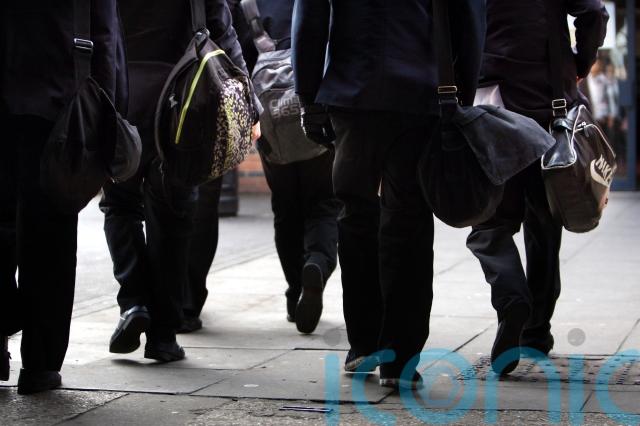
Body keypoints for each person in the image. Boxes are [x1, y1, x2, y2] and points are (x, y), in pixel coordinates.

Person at [292, 0, 485, 387]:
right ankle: (401, 359)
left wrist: (309, 96)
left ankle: (364, 343)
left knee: (356, 215)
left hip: (353, 89)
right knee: (410, 220)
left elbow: (310, 14)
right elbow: (469, 15)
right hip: (421, 92)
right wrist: (463, 90)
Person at [100, 0, 259, 361]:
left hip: (121, 98)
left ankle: (134, 301)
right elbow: (222, 31)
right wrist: (249, 104)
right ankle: (164, 335)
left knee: (119, 205)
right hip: (182, 103)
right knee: (173, 215)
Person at [466, 0, 608, 374]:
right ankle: (535, 331)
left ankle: (511, 295)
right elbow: (593, 12)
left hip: (491, 103)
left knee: (490, 223)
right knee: (544, 221)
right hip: (548, 102)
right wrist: (578, 64)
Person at [0, 0, 125, 394]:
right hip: (58, 108)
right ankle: (41, 366)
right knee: (50, 240)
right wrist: (109, 114)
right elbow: (104, 34)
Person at [226, 0, 340, 334]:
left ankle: (294, 294)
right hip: (316, 114)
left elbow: (238, 64)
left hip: (273, 125)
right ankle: (317, 263)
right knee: (324, 204)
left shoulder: (250, 4)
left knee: (286, 210)